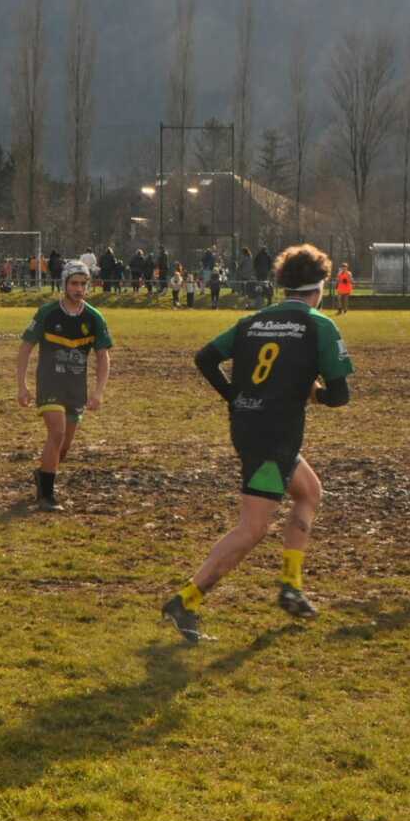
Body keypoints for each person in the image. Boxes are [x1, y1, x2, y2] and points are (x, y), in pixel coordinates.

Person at [165, 244, 353, 642]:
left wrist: (234, 396)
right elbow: (340, 396)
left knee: (309, 492)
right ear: (320, 286)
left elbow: (205, 358)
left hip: (249, 425)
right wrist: (315, 392)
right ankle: (186, 599)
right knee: (252, 528)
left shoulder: (253, 321)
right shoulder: (319, 325)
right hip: (276, 434)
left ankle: (291, 586)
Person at [16, 260, 112, 511]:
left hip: (76, 388)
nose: (79, 288)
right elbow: (25, 348)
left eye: (83, 284)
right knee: (56, 433)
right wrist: (22, 385)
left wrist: (99, 392)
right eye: (74, 283)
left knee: (64, 447)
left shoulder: (94, 317)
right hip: (50, 383)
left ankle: (43, 475)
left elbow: (103, 357)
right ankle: (46, 497)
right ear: (64, 285)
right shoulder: (47, 313)